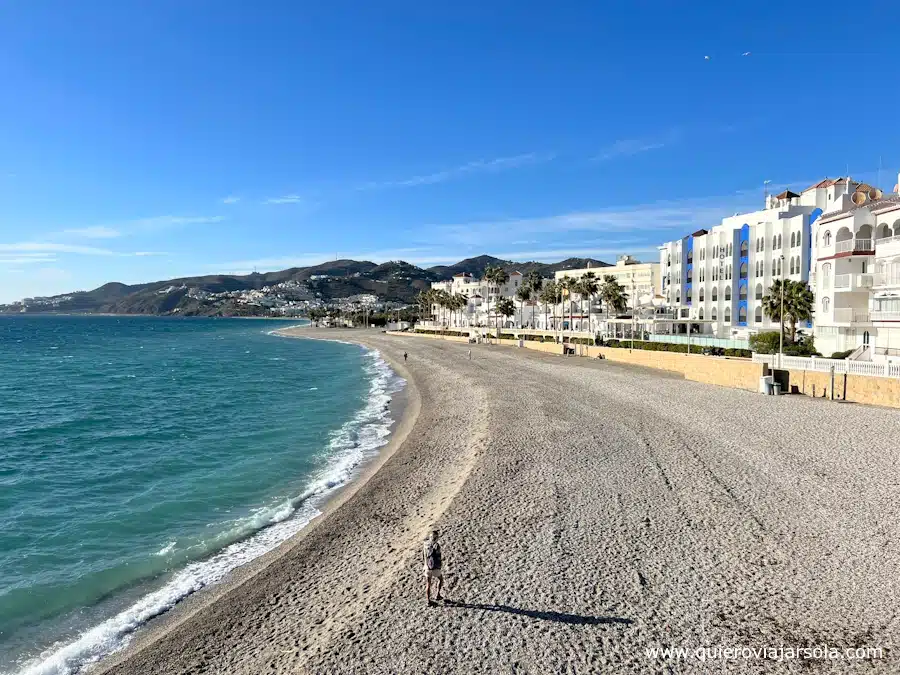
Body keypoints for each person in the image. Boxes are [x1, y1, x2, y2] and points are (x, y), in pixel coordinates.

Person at [422, 529, 443, 605]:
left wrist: (425, 565)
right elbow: (438, 556)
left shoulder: (425, 544)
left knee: (428, 584)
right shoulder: (436, 545)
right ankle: (438, 594)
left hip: (427, 567)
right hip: (435, 567)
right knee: (440, 579)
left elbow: (424, 555)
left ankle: (428, 600)